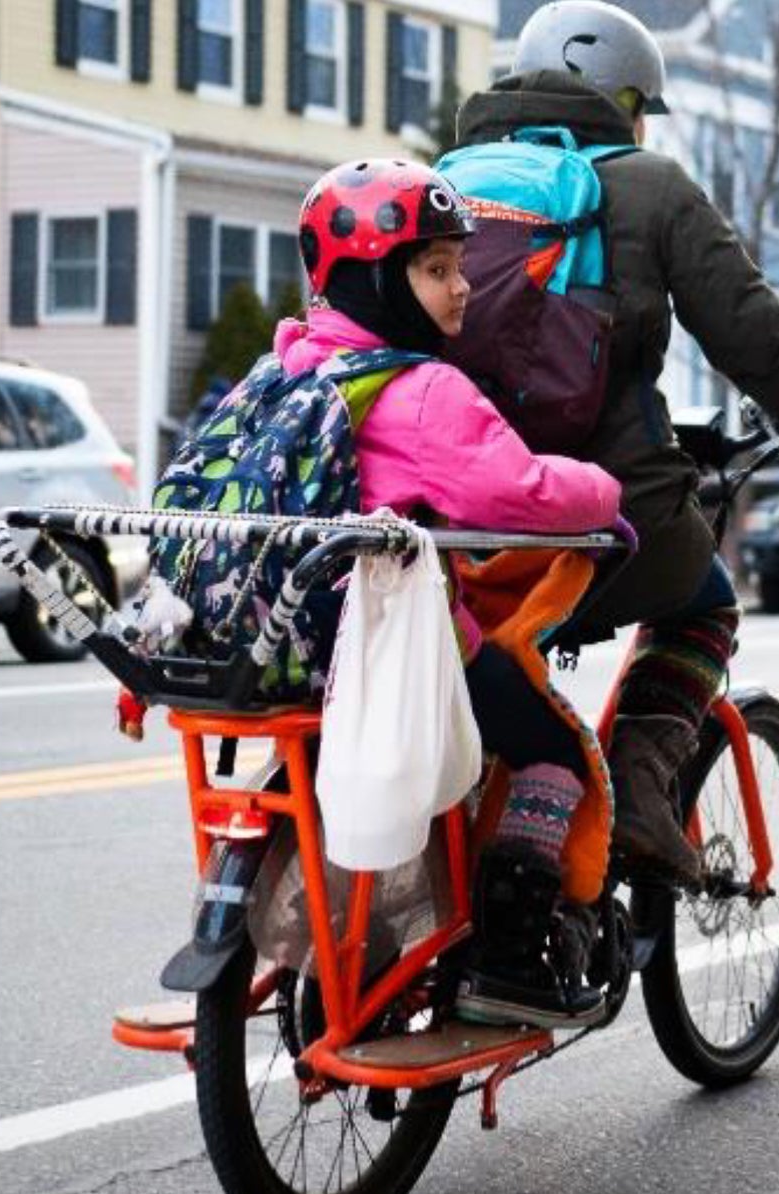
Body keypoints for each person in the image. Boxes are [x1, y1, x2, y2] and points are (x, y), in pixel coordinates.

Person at [455, 0, 779, 888]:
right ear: (627, 101)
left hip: (449, 504)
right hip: (601, 507)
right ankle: (642, 793)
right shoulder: (651, 185)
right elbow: (754, 336)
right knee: (704, 602)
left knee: (475, 649)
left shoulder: (448, 181)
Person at [282, 158, 621, 1026]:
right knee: (549, 749)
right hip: (405, 650)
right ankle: (510, 956)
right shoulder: (423, 389)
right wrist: (606, 496)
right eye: (436, 270)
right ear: (371, 282)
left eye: (460, 266)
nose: (462, 288)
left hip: (296, 653)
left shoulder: (286, 370)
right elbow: (519, 493)